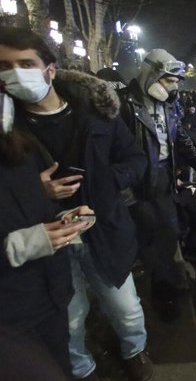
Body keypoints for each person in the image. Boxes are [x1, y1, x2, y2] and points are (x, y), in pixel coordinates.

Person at [0, 27, 151, 381]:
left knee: (126, 306)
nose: (15, 73)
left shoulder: (96, 114)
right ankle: (81, 369)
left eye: (26, 63)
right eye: (5, 66)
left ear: (50, 69)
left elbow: (134, 159)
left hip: (105, 229)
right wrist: (34, 191)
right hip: (44, 241)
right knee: (69, 314)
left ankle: (135, 350)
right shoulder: (6, 130)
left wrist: (105, 182)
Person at [118, 49, 196, 321]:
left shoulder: (169, 104)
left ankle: (171, 282)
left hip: (163, 178)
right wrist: (127, 193)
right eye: (168, 80)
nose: (173, 86)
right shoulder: (124, 105)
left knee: (169, 231)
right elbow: (113, 152)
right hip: (138, 183)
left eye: (176, 81)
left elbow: (181, 141)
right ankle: (163, 293)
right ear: (152, 74)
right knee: (152, 237)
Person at [0, 110, 95, 378]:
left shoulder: (16, 148)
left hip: (49, 294)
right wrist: (16, 245)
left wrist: (63, 220)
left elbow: (31, 211)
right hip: (9, 315)